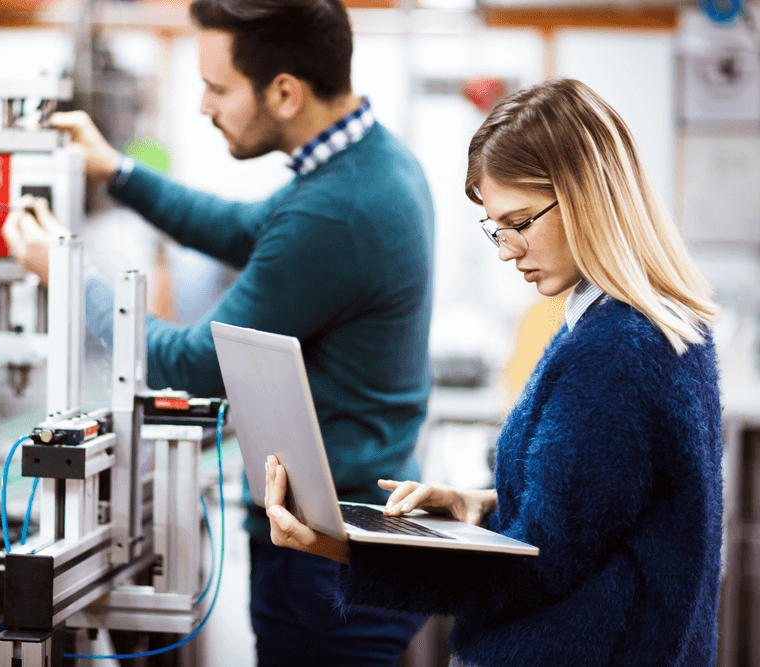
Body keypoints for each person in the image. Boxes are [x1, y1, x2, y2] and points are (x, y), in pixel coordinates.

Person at [1, 0, 435, 663]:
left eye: (218, 86)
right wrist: (117, 171)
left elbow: (193, 363)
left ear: (285, 92)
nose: (205, 104)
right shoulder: (369, 163)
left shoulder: (336, 210)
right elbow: (241, 228)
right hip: (346, 541)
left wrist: (66, 275)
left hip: (328, 557)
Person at [264, 77, 723, 667]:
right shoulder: (659, 323)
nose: (507, 249)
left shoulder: (616, 352)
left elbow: (535, 570)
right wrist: (476, 504)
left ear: (587, 194)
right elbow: (603, 520)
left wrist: (344, 548)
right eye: (496, 228)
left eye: (521, 222)